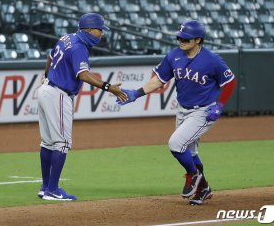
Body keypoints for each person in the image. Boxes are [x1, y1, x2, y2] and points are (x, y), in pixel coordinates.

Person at [117, 19, 236, 205]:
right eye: (179, 37)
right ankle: (203, 189)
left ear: (198, 40)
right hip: (182, 110)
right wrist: (136, 93)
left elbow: (230, 82)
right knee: (191, 152)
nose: (181, 40)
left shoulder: (212, 60)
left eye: (186, 38)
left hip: (203, 112)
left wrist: (219, 105)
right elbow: (158, 80)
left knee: (175, 143)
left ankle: (193, 175)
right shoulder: (174, 55)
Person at [37, 13, 127, 201]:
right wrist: (108, 87)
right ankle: (52, 189)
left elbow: (49, 57)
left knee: (47, 142)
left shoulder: (67, 37)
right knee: (62, 143)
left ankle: (45, 187)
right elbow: (83, 75)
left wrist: (47, 76)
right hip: (58, 94)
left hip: (46, 89)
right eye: (99, 30)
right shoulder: (79, 47)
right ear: (89, 30)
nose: (101, 34)